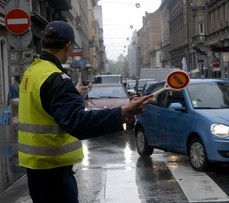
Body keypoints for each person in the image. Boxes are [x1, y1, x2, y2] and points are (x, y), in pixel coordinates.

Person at [18, 20, 153, 203]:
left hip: (36, 170)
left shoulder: (32, 72)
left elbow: (46, 107)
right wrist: (122, 112)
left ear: (43, 43)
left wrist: (71, 93)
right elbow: (77, 122)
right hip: (55, 174)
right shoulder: (56, 79)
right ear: (69, 45)